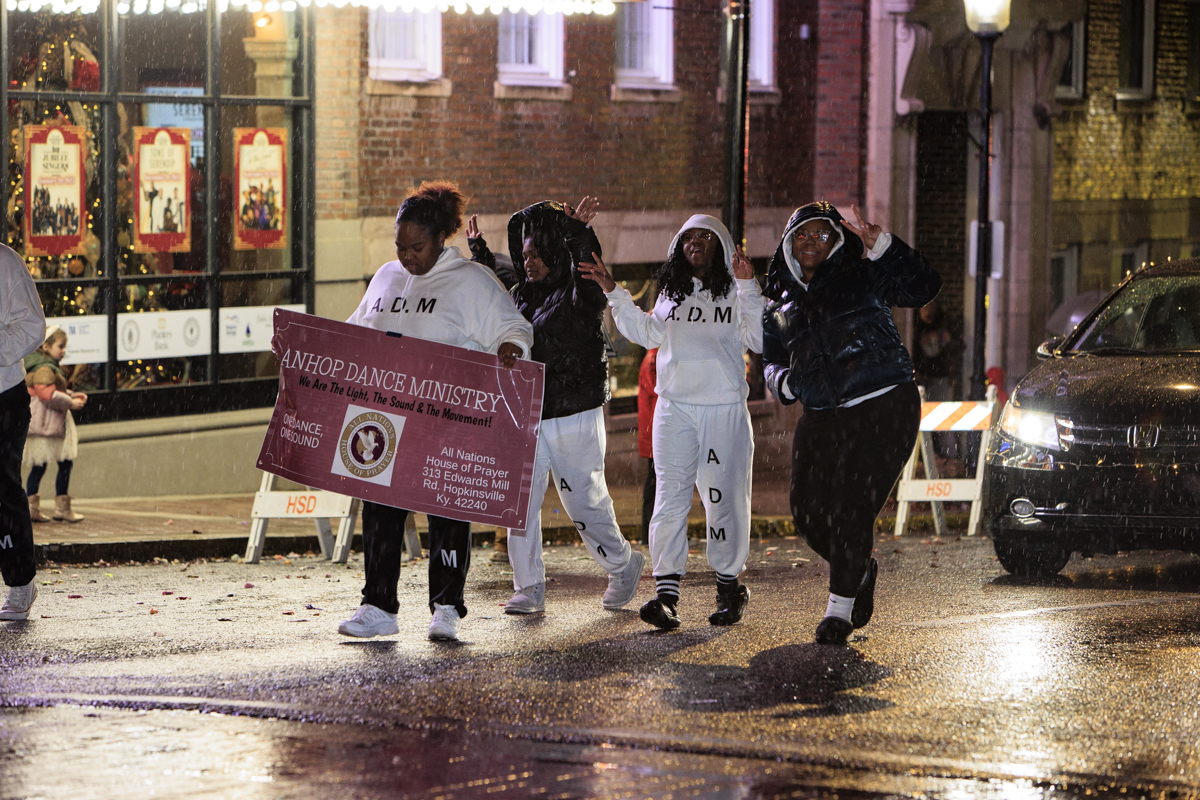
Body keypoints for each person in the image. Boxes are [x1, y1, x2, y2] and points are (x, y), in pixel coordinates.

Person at [337, 181, 534, 642]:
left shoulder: (471, 281)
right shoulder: (385, 278)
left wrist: (511, 346)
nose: (407, 257)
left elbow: (515, 327)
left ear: (439, 238)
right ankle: (378, 606)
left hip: (447, 423)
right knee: (380, 511)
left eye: (417, 248)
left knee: (447, 511)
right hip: (387, 419)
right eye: (400, 247)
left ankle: (446, 607)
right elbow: (353, 333)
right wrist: (305, 347)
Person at [762, 201, 941, 645]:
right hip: (823, 413)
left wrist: (884, 247)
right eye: (802, 235)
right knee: (807, 514)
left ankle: (838, 611)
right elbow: (771, 359)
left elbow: (924, 286)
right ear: (788, 243)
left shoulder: (861, 274)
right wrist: (784, 382)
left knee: (852, 507)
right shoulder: (778, 304)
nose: (811, 242)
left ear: (837, 240)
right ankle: (858, 568)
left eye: (821, 234)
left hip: (884, 403)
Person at [580, 215, 763, 630]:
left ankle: (729, 587)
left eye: (705, 237)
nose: (695, 243)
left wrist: (749, 287)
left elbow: (759, 339)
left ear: (721, 244)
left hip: (722, 408)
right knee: (669, 497)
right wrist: (614, 292)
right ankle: (666, 596)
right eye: (688, 238)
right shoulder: (672, 292)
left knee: (724, 498)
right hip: (674, 408)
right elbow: (648, 333)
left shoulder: (737, 290)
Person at [466, 198, 644, 615]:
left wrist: (578, 233)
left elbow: (589, 278)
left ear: (552, 252)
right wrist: (480, 252)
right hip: (527, 412)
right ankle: (528, 585)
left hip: (573, 410)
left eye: (536, 255)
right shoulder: (522, 295)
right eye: (525, 255)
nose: (528, 262)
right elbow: (499, 277)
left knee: (583, 500)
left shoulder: (578, 295)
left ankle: (622, 564)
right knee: (518, 501)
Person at [0, 242, 48, 621]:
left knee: (2, 489)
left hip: (3, 396)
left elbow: (33, 327)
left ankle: (20, 582)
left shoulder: (4, 262)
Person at [23, 326, 87, 524]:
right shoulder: (45, 367)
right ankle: (61, 508)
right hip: (48, 424)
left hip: (43, 424)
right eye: (61, 346)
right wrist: (71, 402)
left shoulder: (41, 365)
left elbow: (50, 391)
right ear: (46, 346)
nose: (64, 350)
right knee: (63, 463)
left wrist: (71, 395)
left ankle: (32, 508)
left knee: (40, 466)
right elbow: (46, 394)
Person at [637, 348, 659, 544]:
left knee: (655, 482)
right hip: (656, 433)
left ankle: (649, 533)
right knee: (655, 483)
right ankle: (649, 532)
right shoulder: (654, 359)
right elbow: (660, 389)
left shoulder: (653, 356)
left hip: (653, 433)